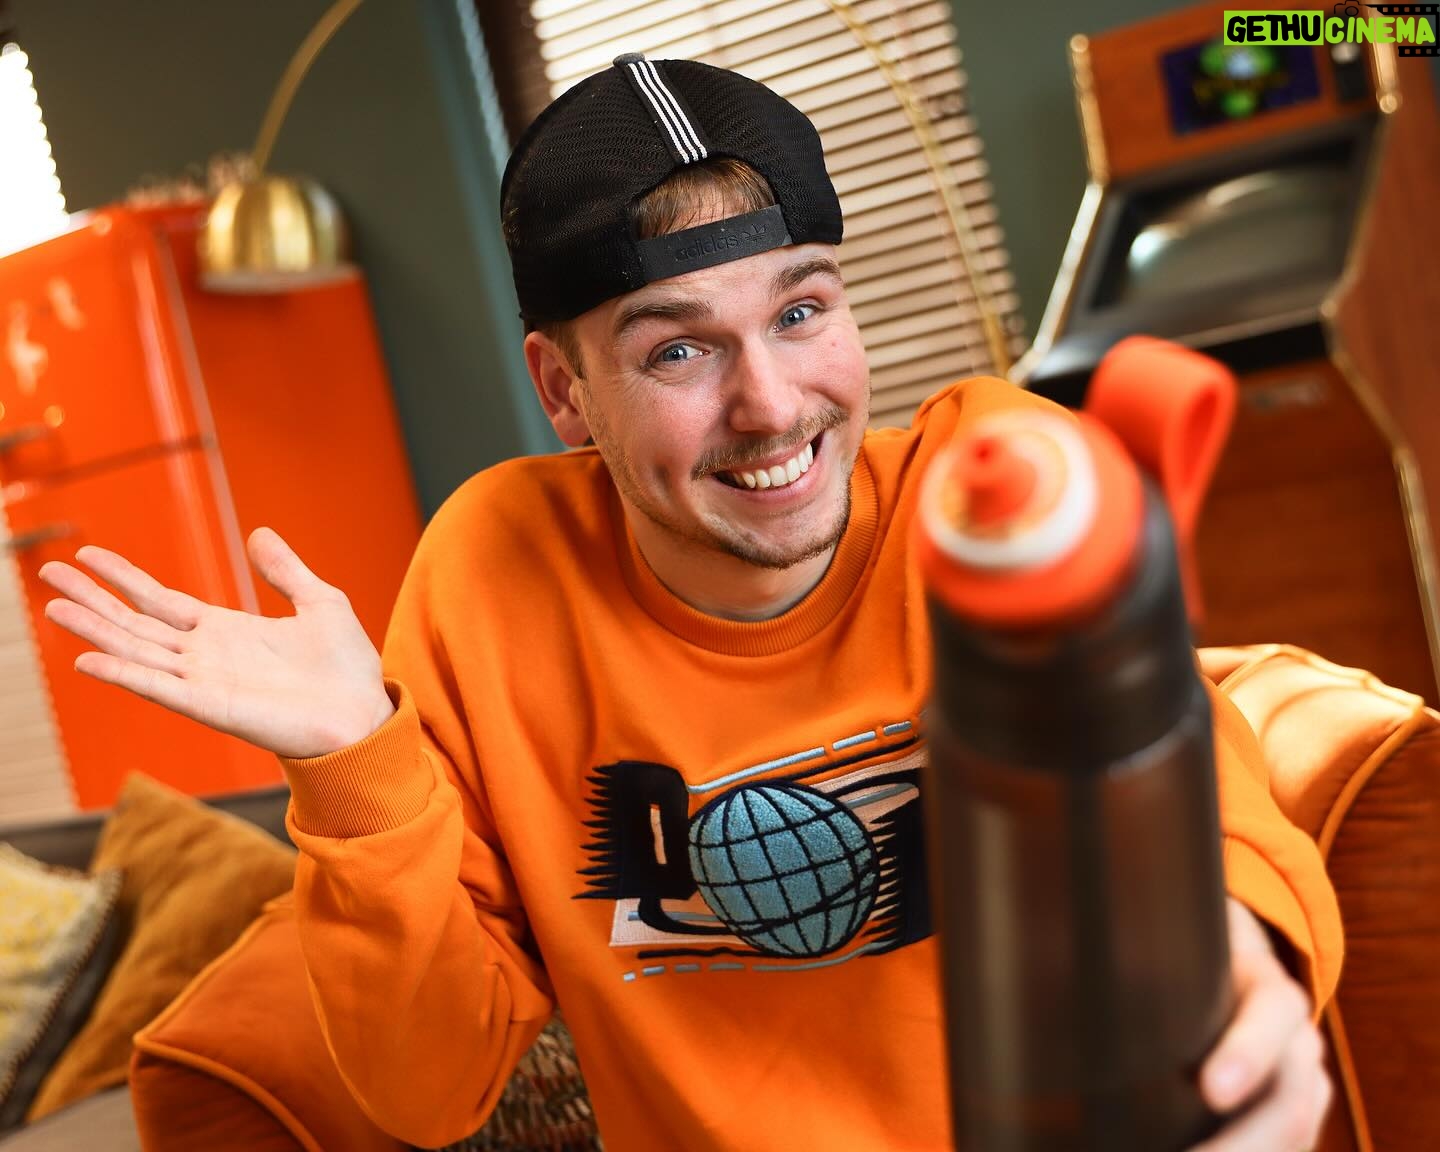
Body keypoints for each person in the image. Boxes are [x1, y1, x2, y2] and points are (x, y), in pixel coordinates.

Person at [39, 55, 1339, 1151]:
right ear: (565, 394)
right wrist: (353, 764)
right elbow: (429, 1088)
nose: (771, 406)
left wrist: (1237, 950)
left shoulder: (994, 489)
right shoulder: (495, 579)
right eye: (677, 349)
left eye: (801, 310)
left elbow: (1195, 801)